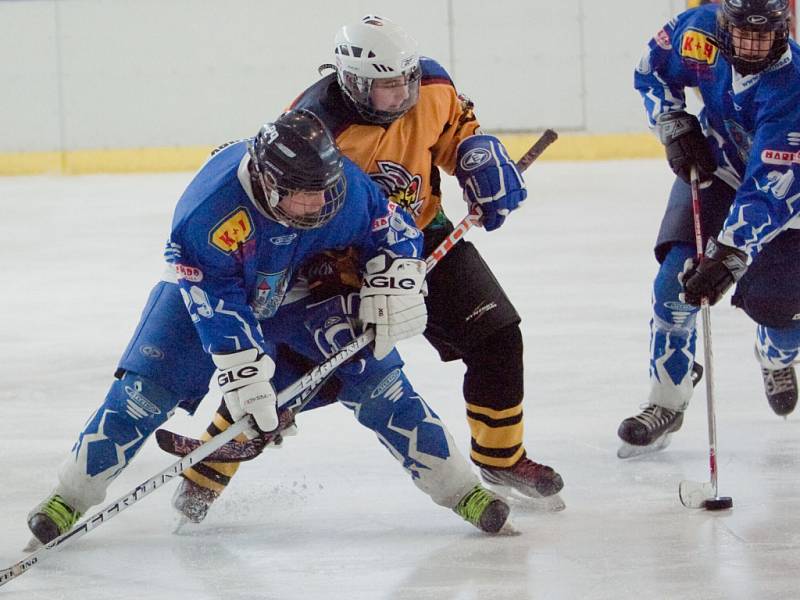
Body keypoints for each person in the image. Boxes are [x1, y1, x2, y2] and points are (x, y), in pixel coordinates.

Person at [27, 110, 512, 545]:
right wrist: (244, 372)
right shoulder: (207, 215)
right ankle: (69, 496)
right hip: (212, 298)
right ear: (266, 182)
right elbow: (215, 301)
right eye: (304, 197)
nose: (320, 205)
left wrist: (396, 275)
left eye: (325, 191)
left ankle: (461, 491)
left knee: (381, 384)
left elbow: (392, 230)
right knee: (143, 393)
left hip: (303, 292)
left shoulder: (336, 185)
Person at [175, 15, 564, 519]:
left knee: (497, 335)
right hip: (341, 261)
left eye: (406, 80)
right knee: (311, 371)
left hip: (423, 234)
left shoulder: (432, 84)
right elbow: (293, 214)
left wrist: (476, 152)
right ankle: (207, 469)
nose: (401, 95)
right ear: (353, 82)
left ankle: (500, 457)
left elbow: (456, 129)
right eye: (385, 88)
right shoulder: (315, 127)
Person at [617, 0, 800, 458]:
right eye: (744, 34)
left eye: (766, 35)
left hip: (786, 205)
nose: (755, 46)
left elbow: (769, 189)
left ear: (785, 27)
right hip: (718, 171)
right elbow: (652, 70)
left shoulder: (794, 86)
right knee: (673, 288)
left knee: (780, 316)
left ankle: (773, 356)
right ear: (724, 23)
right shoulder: (697, 31)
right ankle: (667, 400)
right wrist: (674, 121)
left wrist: (730, 254)